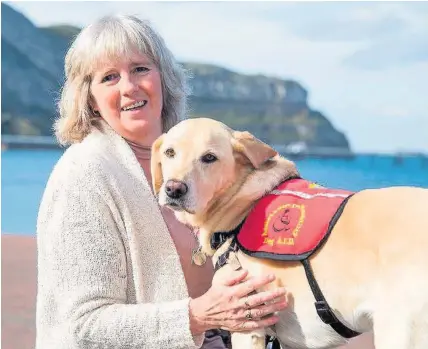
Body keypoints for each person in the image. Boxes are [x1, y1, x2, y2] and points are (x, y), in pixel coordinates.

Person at [36, 14, 287, 349]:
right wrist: (199, 316)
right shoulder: (83, 175)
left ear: (163, 79)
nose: (129, 86)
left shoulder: (197, 159)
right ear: (90, 100)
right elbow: (82, 325)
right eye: (109, 77)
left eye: (140, 68)